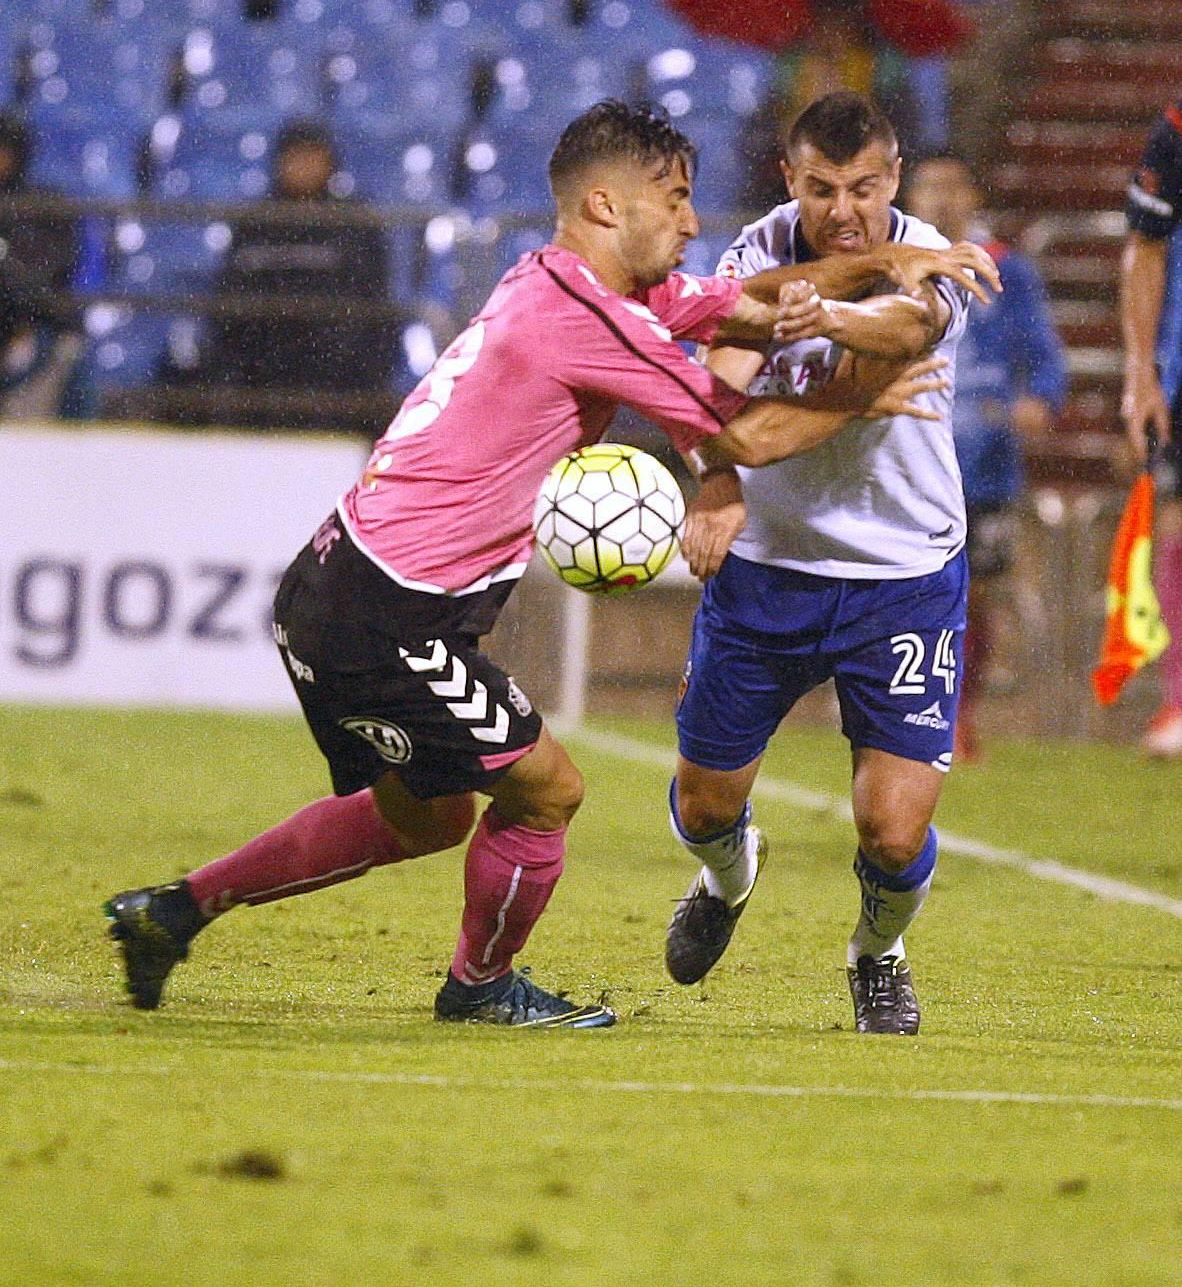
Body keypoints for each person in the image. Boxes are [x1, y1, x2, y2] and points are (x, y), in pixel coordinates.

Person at [105, 100, 986, 1030]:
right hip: (390, 615)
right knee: (547, 790)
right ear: (609, 206)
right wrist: (866, 393)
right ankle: (480, 988)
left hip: (341, 585)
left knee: (428, 817)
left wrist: (884, 262)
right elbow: (742, 436)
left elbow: (744, 304)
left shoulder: (564, 285)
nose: (693, 224)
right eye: (676, 201)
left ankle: (172, 912)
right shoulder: (589, 321)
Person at [665, 91, 988, 1036]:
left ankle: (877, 957)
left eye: (862, 187)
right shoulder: (752, 255)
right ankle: (728, 879)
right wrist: (716, 478)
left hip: (904, 575)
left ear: (893, 177)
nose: (843, 209)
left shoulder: (931, 259)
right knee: (705, 799)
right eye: (820, 188)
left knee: (892, 833)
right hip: (767, 566)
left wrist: (820, 322)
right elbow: (702, 394)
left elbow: (897, 341)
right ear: (788, 179)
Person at [907, 155, 1066, 762]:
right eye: (930, 187)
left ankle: (958, 713)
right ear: (910, 194)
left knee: (974, 597)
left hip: (984, 467)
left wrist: (1039, 400)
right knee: (905, 592)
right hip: (908, 465)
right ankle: (906, 708)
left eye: (953, 186)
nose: (942, 199)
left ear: (973, 194)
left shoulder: (1008, 270)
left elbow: (1046, 358)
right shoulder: (896, 267)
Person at [195, 120, 395, 423]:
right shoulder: (254, 223)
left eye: (313, 156)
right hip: (262, 365)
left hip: (334, 369)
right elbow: (230, 299)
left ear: (330, 162)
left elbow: (372, 302)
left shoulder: (354, 223)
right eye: (295, 157)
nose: (304, 166)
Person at [741, 0, 920, 212]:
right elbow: (760, 136)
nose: (834, 31)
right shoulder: (793, 64)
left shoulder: (884, 67)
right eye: (825, 19)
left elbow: (902, 132)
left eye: (843, 20)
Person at [1120, 97, 1182, 756]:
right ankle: (1181, 699)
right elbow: (1146, 243)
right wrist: (1141, 373)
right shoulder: (1177, 127)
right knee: (1178, 524)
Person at [0, 112, 81, 420]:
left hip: (30, 325)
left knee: (55, 347)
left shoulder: (43, 206)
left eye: (5, 147)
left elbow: (48, 276)